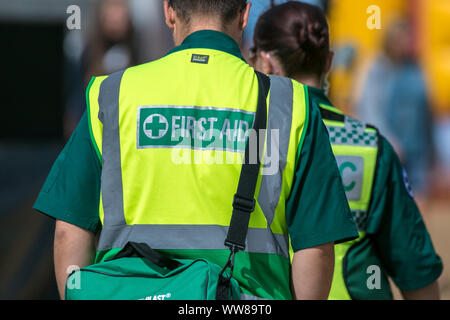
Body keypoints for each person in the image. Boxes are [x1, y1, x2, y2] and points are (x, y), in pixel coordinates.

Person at [33, 0, 358, 300]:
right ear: (245, 15)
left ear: (169, 12)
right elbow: (314, 248)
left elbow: (69, 231)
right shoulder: (291, 105)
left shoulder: (112, 94)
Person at [251, 1, 442, 299]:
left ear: (266, 63)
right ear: (328, 61)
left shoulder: (249, 142)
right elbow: (415, 270)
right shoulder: (371, 146)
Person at [357, 20, 434, 203]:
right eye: (402, 38)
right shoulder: (377, 69)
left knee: (419, 203)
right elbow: (370, 108)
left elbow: (426, 110)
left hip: (416, 148)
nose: (407, 42)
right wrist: (388, 139)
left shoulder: (416, 68)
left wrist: (432, 150)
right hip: (389, 149)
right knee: (393, 203)